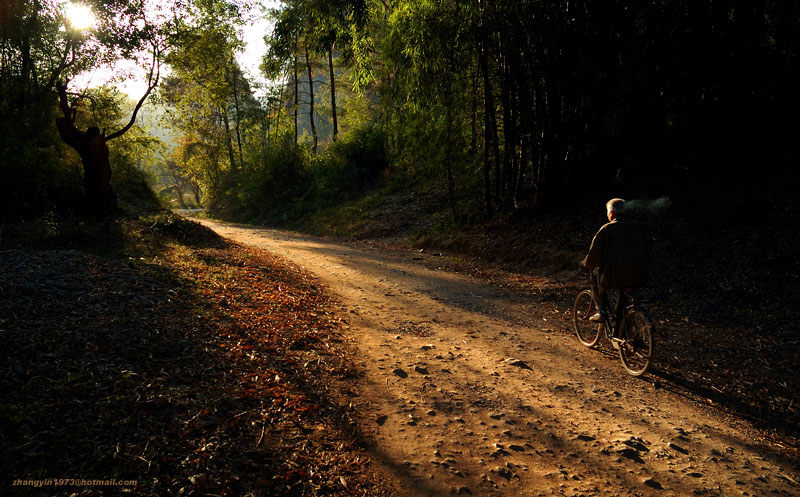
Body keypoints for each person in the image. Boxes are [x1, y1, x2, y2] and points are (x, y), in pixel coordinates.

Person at [581, 198, 648, 323]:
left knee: (594, 276)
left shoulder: (608, 229)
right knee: (624, 293)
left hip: (614, 276)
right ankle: (622, 327)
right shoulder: (638, 228)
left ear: (611, 213)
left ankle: (601, 311)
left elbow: (593, 258)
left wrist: (586, 264)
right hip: (640, 276)